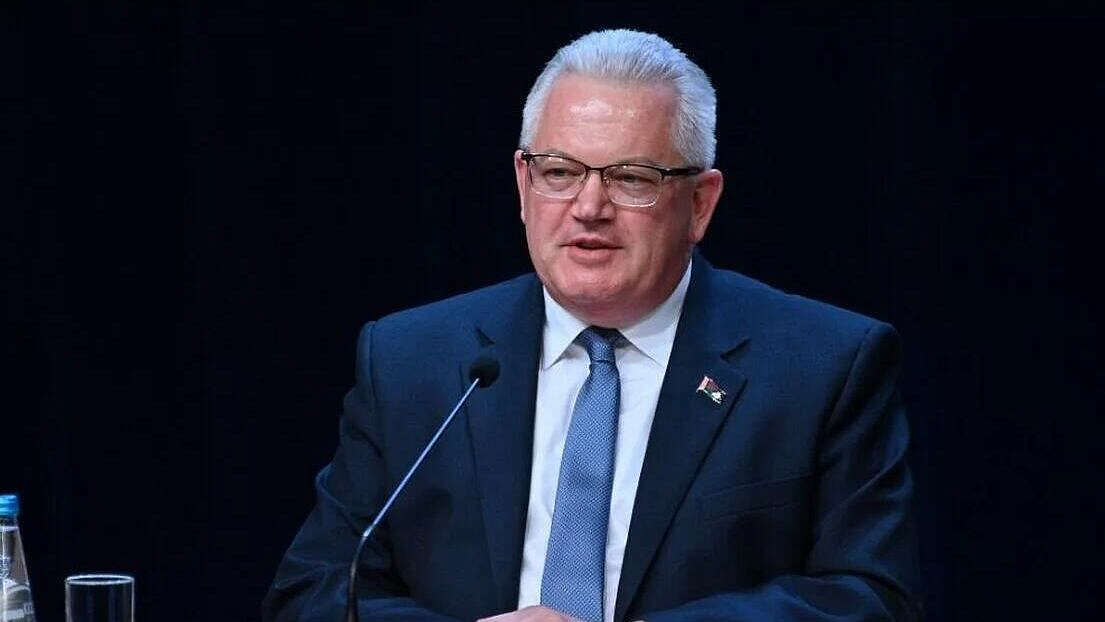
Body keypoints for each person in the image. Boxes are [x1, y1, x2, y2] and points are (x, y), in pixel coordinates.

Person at [263, 29, 921, 622]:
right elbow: (314, 593)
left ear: (699, 203)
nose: (588, 207)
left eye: (631, 179)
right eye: (559, 172)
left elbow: (871, 598)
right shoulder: (412, 360)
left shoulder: (821, 367)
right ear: (523, 185)